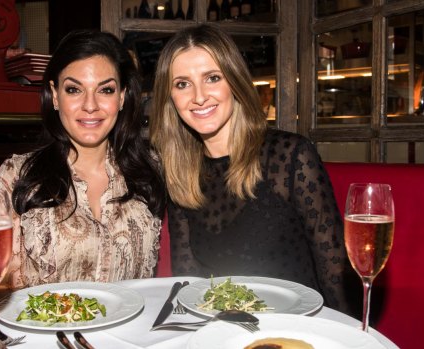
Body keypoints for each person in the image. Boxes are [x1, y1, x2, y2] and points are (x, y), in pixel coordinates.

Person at [150, 24, 354, 314]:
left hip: (297, 329)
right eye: (182, 84)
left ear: (234, 81)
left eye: (212, 78)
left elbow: (334, 274)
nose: (198, 96)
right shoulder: (180, 172)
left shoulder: (290, 156)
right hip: (224, 333)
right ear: (170, 98)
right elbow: (191, 284)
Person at [0, 30, 166, 290]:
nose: (90, 105)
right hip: (43, 330)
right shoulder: (16, 177)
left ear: (121, 97)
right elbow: (1, 293)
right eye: (74, 89)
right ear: (55, 95)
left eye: (105, 90)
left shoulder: (150, 170)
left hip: (132, 330)